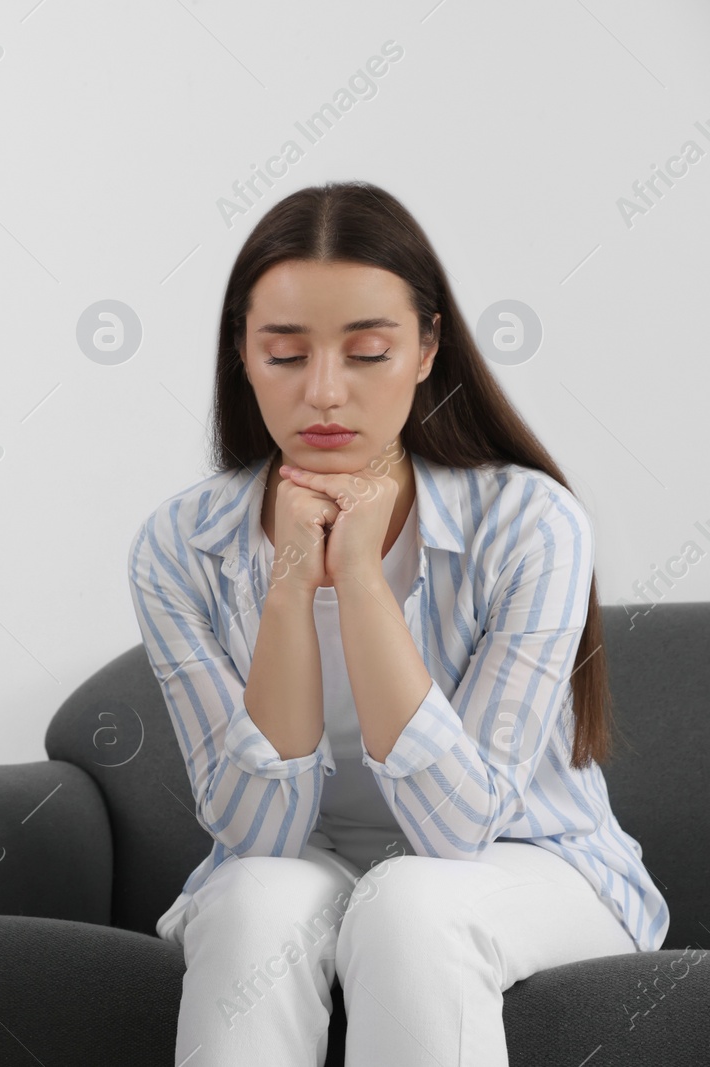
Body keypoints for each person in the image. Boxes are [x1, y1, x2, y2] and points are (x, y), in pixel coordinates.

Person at [126, 181, 667, 1067]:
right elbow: (254, 836)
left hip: (525, 857)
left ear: (426, 349)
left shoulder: (532, 524)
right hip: (309, 858)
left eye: (369, 351)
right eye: (285, 355)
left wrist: (360, 580)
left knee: (414, 902)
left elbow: (460, 831)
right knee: (251, 899)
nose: (325, 393)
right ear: (242, 357)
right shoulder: (180, 546)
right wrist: (288, 588)